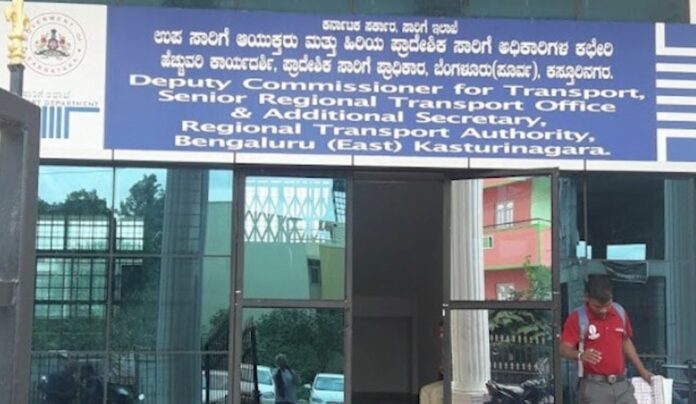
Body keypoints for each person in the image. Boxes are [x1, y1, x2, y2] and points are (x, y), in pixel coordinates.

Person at [560, 275, 653, 404]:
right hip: (594, 386)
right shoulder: (578, 317)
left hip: (622, 384)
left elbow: (625, 342)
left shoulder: (619, 312)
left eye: (607, 305)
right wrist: (580, 355)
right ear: (587, 297)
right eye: (597, 307)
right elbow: (563, 349)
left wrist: (642, 371)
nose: (603, 310)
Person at [419, 321, 443, 404]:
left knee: (436, 393)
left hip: (457, 383)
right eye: (440, 332)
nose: (441, 335)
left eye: (443, 332)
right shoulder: (444, 347)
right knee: (425, 390)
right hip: (446, 380)